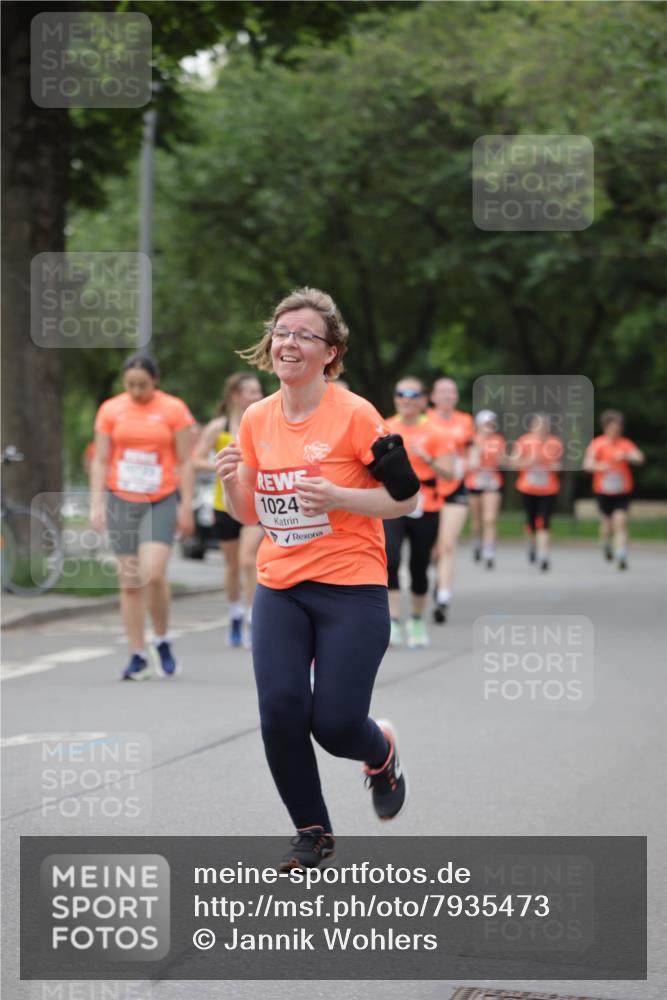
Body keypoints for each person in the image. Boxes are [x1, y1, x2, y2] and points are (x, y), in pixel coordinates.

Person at [215, 287, 419, 871]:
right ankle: (312, 832)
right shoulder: (256, 418)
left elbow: (407, 498)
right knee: (280, 710)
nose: (289, 342)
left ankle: (380, 751)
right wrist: (229, 481)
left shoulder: (357, 415)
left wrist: (338, 495)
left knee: (334, 725)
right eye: (282, 332)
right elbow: (249, 514)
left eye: (304, 335)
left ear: (330, 353)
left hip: (351, 585)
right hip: (281, 585)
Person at [90, 354, 196, 679]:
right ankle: (137, 654)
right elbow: (101, 459)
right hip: (121, 498)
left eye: (143, 385)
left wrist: (186, 505)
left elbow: (185, 461)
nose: (136, 391)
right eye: (130, 385)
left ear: (155, 381)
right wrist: (96, 504)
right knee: (130, 581)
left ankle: (161, 638)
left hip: (160, 498)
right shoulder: (110, 410)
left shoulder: (174, 409)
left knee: (154, 573)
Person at [194, 373, 264, 647]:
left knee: (248, 561)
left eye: (259, 391)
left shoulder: (262, 423)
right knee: (233, 565)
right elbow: (196, 460)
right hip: (223, 505)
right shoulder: (218, 427)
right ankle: (235, 613)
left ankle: (253, 618)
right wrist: (223, 466)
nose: (258, 396)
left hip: (253, 503)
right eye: (251, 391)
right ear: (235, 395)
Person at [384, 377, 453, 648]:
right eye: (401, 394)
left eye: (413, 395)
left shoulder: (436, 432)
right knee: (390, 559)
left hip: (427, 505)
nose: (406, 399)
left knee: (419, 565)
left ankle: (416, 620)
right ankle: (393, 621)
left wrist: (428, 458)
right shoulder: (385, 427)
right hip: (393, 502)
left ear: (423, 400)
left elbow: (450, 473)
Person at [425, 377, 474, 623]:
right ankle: (438, 577)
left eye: (451, 392)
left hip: (455, 487)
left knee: (447, 544)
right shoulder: (425, 420)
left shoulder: (465, 421)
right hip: (429, 487)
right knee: (433, 550)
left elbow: (472, 450)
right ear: (433, 396)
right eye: (442, 392)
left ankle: (443, 598)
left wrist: (470, 463)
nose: (447, 396)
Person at [583, 410, 645, 570]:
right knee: (607, 524)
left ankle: (621, 553)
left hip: (622, 491)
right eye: (613, 428)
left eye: (618, 429)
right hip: (603, 491)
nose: (616, 431)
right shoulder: (597, 444)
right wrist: (600, 466)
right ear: (605, 427)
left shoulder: (625, 444)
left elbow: (639, 457)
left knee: (621, 521)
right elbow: (587, 464)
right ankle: (605, 544)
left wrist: (626, 456)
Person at [509, 413, 562, 572]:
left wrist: (551, 465)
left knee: (544, 522)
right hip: (528, 488)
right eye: (538, 426)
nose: (541, 429)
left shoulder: (554, 442)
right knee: (531, 521)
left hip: (548, 489)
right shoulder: (524, 441)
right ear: (532, 427)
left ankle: (544, 555)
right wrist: (529, 462)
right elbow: (513, 463)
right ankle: (531, 544)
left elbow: (559, 465)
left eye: (544, 426)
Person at [465, 410, 506, 568]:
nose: (490, 426)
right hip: (475, 482)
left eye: (492, 423)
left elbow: (503, 460)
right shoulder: (472, 439)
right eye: (486, 423)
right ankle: (476, 543)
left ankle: (489, 552)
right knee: (476, 521)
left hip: (492, 483)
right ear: (479, 425)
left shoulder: (498, 440)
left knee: (490, 519)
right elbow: (470, 464)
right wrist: (478, 452)